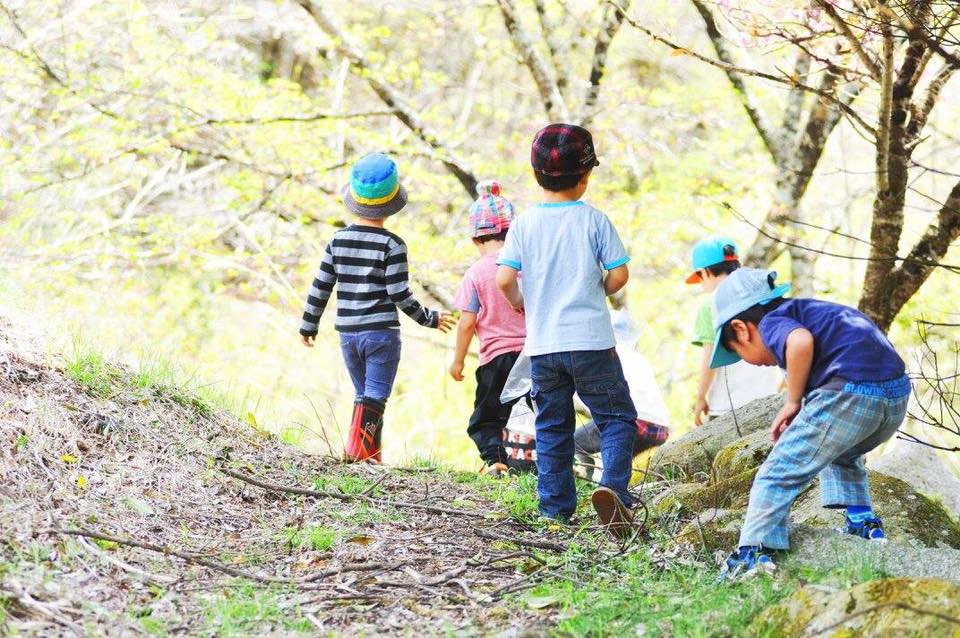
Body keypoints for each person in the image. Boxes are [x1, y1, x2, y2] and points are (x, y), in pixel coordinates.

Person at [710, 269, 910, 579]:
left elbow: (800, 342)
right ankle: (863, 523)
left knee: (776, 473)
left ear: (742, 328)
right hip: (894, 397)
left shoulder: (772, 321)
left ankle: (752, 553)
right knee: (842, 451)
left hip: (850, 394)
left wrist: (792, 402)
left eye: (736, 351)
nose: (746, 360)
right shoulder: (810, 310)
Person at [496, 123, 638, 539]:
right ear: (587, 174)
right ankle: (614, 492)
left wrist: (522, 303)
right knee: (616, 418)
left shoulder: (523, 225)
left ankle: (555, 509)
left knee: (552, 425)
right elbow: (619, 274)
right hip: (592, 342)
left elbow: (505, 279)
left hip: (544, 346)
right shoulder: (594, 221)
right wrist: (601, 288)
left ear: (536, 174)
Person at [299, 153, 455, 463]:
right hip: (381, 336)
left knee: (366, 397)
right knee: (375, 398)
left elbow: (321, 286)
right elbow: (399, 293)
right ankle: (360, 455)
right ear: (392, 201)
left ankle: (368, 456)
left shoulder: (337, 241)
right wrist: (429, 319)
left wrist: (308, 324)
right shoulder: (392, 245)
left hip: (348, 335)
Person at [448, 181, 526, 477]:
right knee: (535, 413)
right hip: (535, 355)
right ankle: (535, 461)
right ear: (512, 232)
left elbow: (467, 321)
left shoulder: (476, 273)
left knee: (486, 418)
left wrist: (457, 360)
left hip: (496, 359)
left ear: (474, 239)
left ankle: (495, 461)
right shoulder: (525, 264)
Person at [687, 237, 781, 426]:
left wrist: (700, 397)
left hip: (728, 406)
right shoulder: (763, 292)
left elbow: (709, 357)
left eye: (699, 278)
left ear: (704, 272)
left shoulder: (710, 304)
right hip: (769, 400)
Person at [574, 305, 670, 480]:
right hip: (660, 428)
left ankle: (584, 485)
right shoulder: (636, 357)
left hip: (634, 420)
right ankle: (617, 490)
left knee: (573, 443)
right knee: (620, 459)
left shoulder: (605, 354)